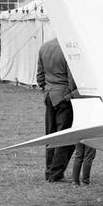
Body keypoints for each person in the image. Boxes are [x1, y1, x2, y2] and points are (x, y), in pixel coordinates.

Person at [36, 37, 78, 182]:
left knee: (50, 135)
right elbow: (71, 78)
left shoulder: (44, 47)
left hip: (49, 95)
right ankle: (56, 173)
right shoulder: (67, 48)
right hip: (63, 97)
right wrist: (70, 94)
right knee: (65, 136)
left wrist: (45, 89)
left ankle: (49, 171)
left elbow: (40, 75)